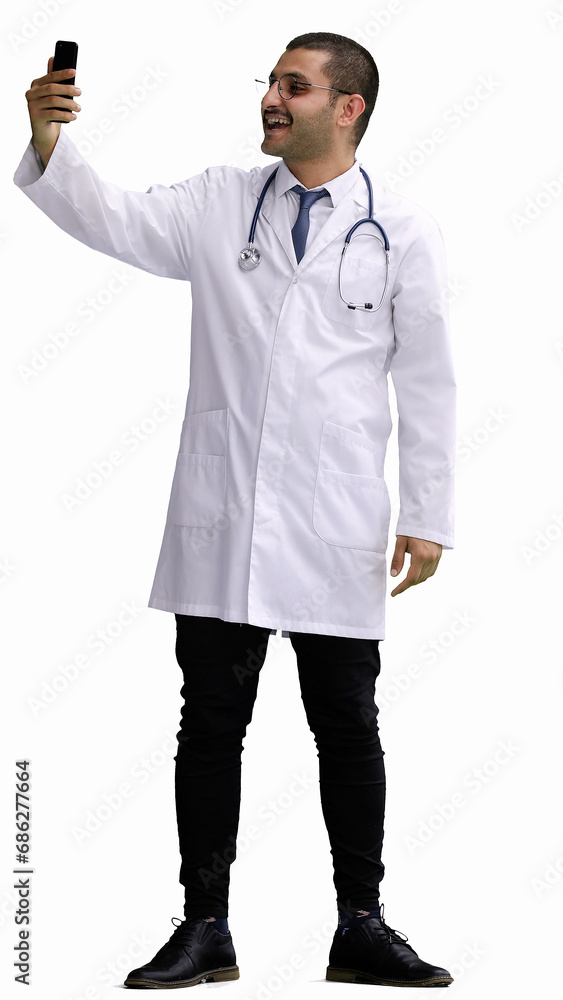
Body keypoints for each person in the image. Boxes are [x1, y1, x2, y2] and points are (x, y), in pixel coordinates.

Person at [15, 31, 456, 989]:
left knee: (347, 722)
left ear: (347, 108)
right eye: (269, 83)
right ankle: (205, 927)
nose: (270, 98)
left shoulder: (401, 230)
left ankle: (361, 925)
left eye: (293, 87)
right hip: (224, 505)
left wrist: (426, 511)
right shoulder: (221, 203)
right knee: (210, 720)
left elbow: (427, 380)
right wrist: (52, 142)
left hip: (335, 519)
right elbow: (114, 219)